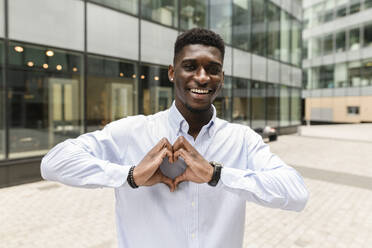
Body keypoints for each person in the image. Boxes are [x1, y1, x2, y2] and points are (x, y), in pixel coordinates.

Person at [41, 28, 308, 248]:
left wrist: (216, 175)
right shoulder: (132, 132)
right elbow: (53, 163)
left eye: (212, 69)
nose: (202, 77)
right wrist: (131, 175)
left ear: (222, 78)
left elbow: (296, 193)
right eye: (190, 66)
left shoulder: (242, 139)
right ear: (172, 72)